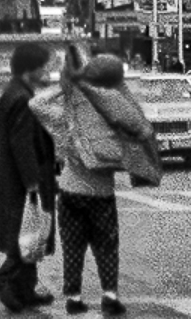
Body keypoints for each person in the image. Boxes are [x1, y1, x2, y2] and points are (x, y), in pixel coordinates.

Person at [32, 52, 154, 317]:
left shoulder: (67, 115)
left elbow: (36, 104)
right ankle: (110, 297)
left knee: (73, 246)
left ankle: (74, 298)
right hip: (102, 191)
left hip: (70, 190)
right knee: (106, 246)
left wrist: (63, 87)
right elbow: (143, 129)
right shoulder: (112, 107)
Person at [0, 41, 58, 313]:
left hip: (15, 179)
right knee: (26, 236)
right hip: (22, 182)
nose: (47, 72)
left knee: (30, 236)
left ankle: (25, 291)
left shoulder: (16, 92)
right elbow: (22, 144)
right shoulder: (22, 98)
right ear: (30, 68)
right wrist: (32, 182)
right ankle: (2, 282)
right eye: (43, 66)